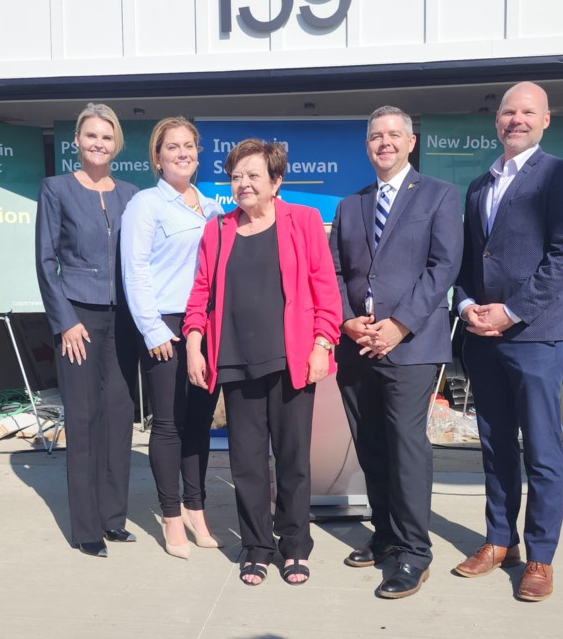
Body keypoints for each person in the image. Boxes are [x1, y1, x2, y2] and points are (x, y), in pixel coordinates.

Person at [452, 82, 563, 601]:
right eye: (508, 112)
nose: (516, 119)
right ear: (497, 121)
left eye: (527, 112)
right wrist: (467, 307)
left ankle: (540, 557)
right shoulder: (478, 185)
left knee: (541, 451)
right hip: (483, 339)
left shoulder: (561, 175)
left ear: (546, 120)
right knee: (494, 448)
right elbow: (469, 262)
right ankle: (498, 540)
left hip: (535, 335)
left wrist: (510, 313)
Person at [184, 139, 342, 586]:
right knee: (246, 463)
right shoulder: (216, 230)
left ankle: (294, 547)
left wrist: (321, 345)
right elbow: (200, 294)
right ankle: (256, 546)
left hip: (291, 359)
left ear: (276, 181)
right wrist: (194, 345)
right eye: (236, 176)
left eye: (253, 175)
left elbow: (325, 291)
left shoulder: (304, 221)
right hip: (234, 360)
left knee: (293, 460)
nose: (243, 184)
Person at [328, 106, 463, 599]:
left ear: (410, 143)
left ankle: (413, 552)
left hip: (411, 345)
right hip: (357, 345)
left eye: (393, 135)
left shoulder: (440, 197)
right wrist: (346, 321)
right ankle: (384, 534)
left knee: (406, 448)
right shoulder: (350, 205)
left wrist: (399, 324)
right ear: (367, 147)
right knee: (371, 446)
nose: (384, 143)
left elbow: (443, 267)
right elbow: (336, 272)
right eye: (375, 137)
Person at [35, 103, 140, 558]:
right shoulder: (56, 188)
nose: (99, 143)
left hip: (124, 321)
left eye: (106, 136)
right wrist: (65, 321)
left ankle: (113, 519)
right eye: (91, 136)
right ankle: (86, 529)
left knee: (118, 419)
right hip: (77, 317)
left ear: (117, 143)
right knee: (83, 419)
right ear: (76, 141)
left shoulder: (132, 194)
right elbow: (45, 261)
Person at [120, 117, 224, 560]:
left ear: (199, 153)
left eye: (189, 145)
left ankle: (196, 507)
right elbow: (135, 266)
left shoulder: (214, 207)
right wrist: (151, 327)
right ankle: (170, 516)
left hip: (206, 324)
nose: (182, 153)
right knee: (168, 423)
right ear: (157, 158)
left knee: (200, 421)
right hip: (164, 321)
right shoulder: (146, 204)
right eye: (172, 147)